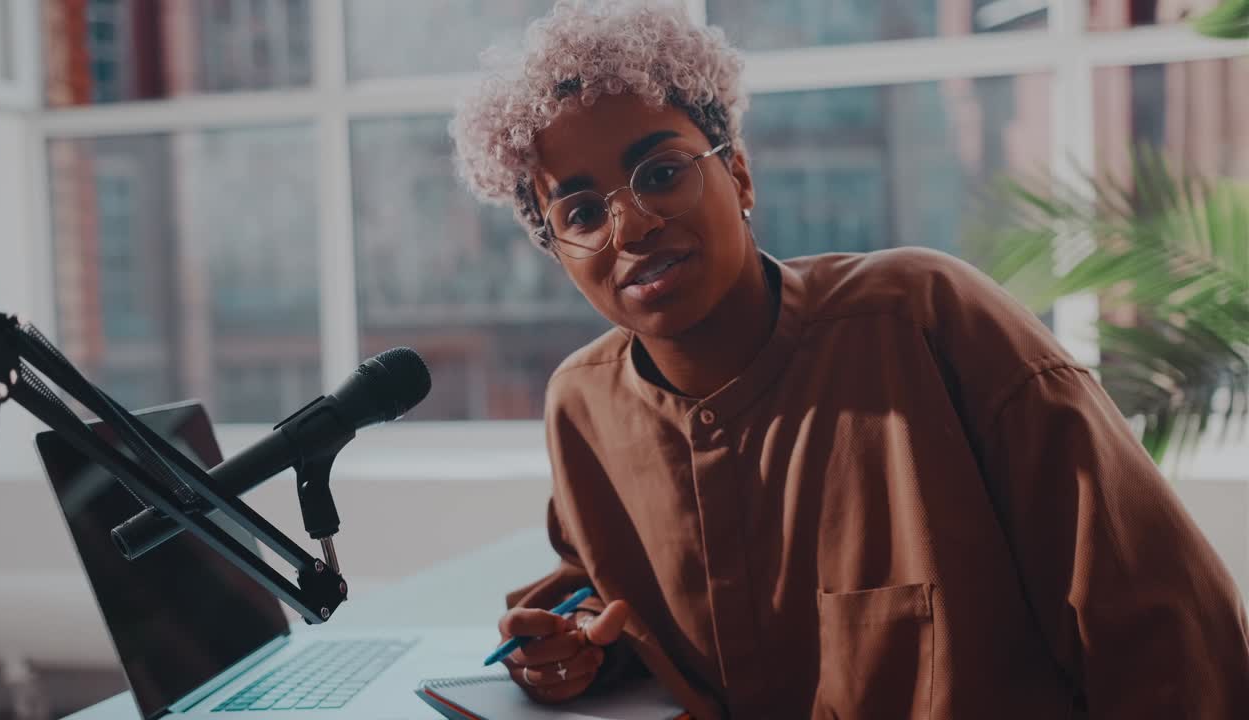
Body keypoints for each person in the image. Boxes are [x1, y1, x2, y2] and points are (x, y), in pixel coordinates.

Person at [447, 1, 1249, 718]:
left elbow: (1168, 627)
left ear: (739, 174)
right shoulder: (581, 406)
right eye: (582, 212)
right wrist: (571, 650)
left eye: (661, 174)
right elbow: (603, 596)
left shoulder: (927, 321)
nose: (631, 227)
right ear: (558, 252)